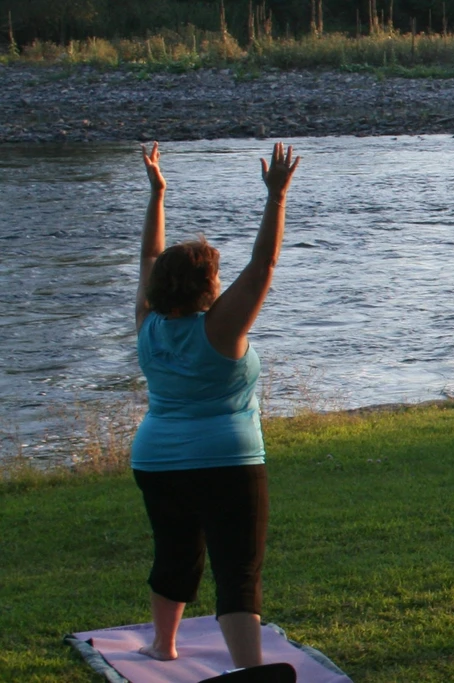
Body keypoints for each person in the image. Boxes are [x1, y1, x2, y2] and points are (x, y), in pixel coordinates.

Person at [129, 142, 300, 668]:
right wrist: (276, 197)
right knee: (237, 571)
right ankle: (250, 671)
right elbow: (264, 262)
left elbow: (149, 259)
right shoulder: (220, 329)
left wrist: (158, 194)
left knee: (175, 553)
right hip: (227, 461)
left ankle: (163, 645)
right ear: (208, 287)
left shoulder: (146, 322)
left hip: (156, 461)